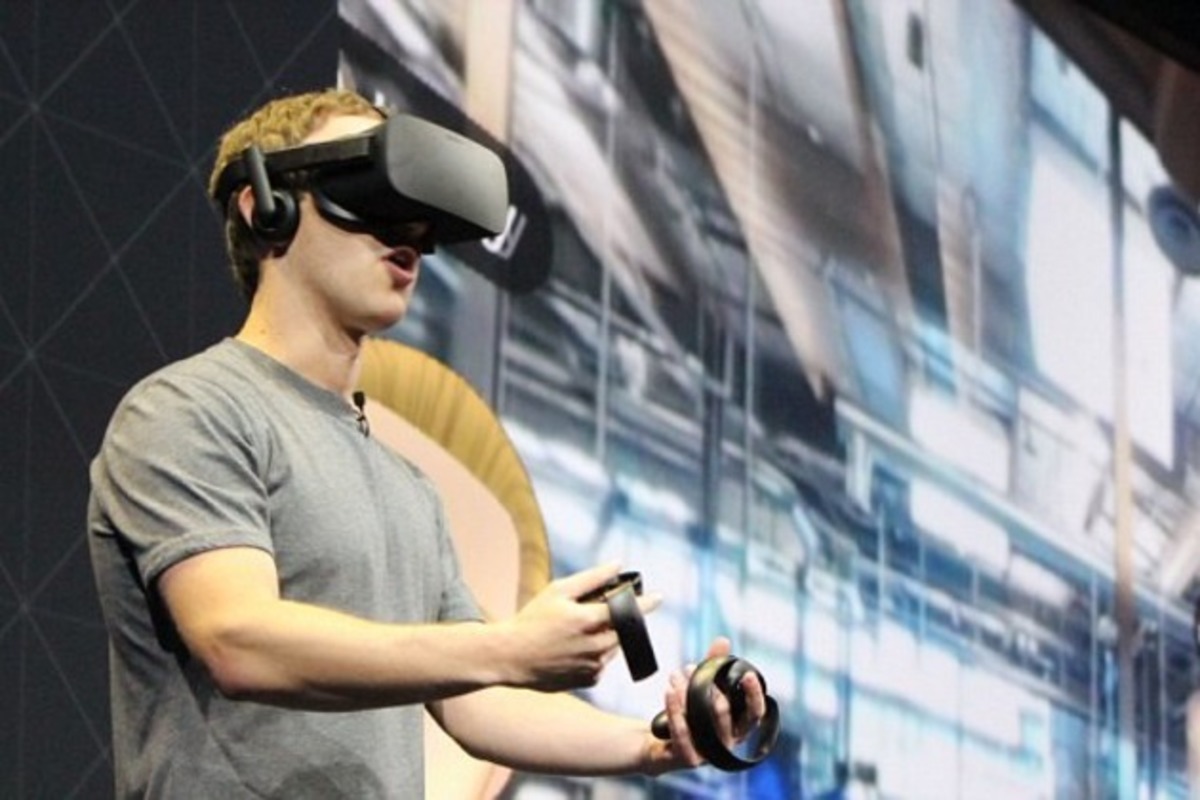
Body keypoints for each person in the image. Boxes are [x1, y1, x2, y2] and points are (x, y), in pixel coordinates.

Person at [87, 88, 764, 798]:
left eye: (417, 211)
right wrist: (505, 645)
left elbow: (477, 703)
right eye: (367, 193)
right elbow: (238, 640)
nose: (407, 231)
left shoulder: (407, 487)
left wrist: (656, 743)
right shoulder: (191, 409)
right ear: (266, 207)